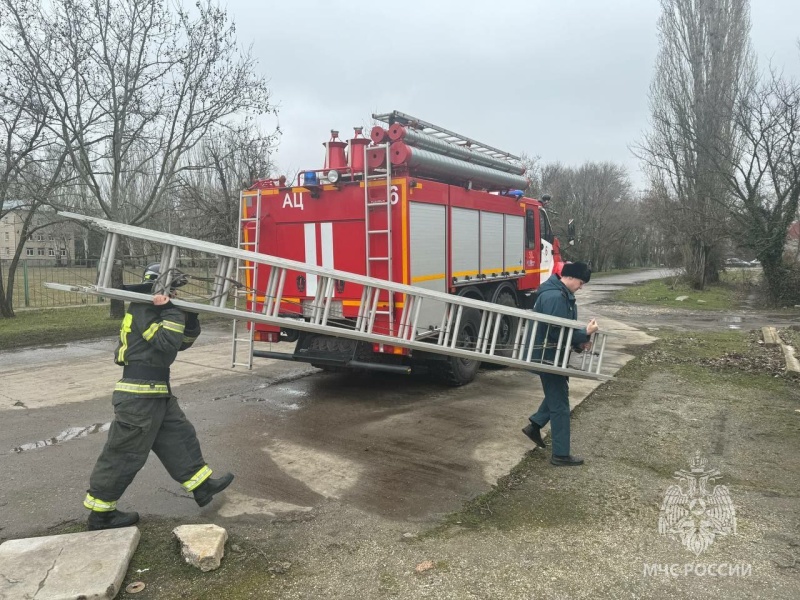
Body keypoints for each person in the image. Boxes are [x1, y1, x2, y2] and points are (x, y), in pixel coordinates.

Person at [83, 263, 234, 530]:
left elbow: (180, 343)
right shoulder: (145, 308)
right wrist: (170, 311)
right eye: (174, 289)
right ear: (161, 287)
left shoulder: (160, 308)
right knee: (125, 454)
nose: (177, 294)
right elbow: (165, 341)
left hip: (156, 391)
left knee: (180, 436)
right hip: (139, 396)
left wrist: (192, 318)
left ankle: (201, 486)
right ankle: (101, 513)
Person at [521, 261, 598, 466]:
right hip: (547, 355)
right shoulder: (555, 296)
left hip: (550, 354)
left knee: (558, 395)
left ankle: (535, 425)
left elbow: (561, 330)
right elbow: (556, 331)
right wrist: (585, 333)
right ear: (570, 278)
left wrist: (580, 342)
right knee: (561, 405)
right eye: (580, 283)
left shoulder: (558, 293)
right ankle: (560, 455)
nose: (581, 287)